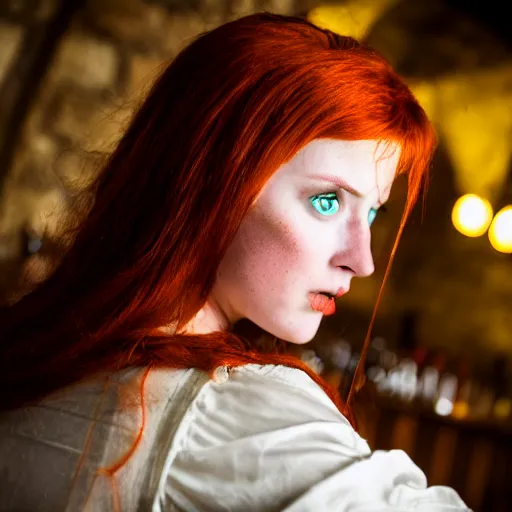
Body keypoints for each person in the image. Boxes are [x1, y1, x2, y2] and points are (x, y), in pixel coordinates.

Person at [0, 12, 470, 512]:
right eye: (328, 201)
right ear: (210, 180)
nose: (363, 260)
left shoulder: (36, 351)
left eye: (372, 212)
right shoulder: (239, 423)